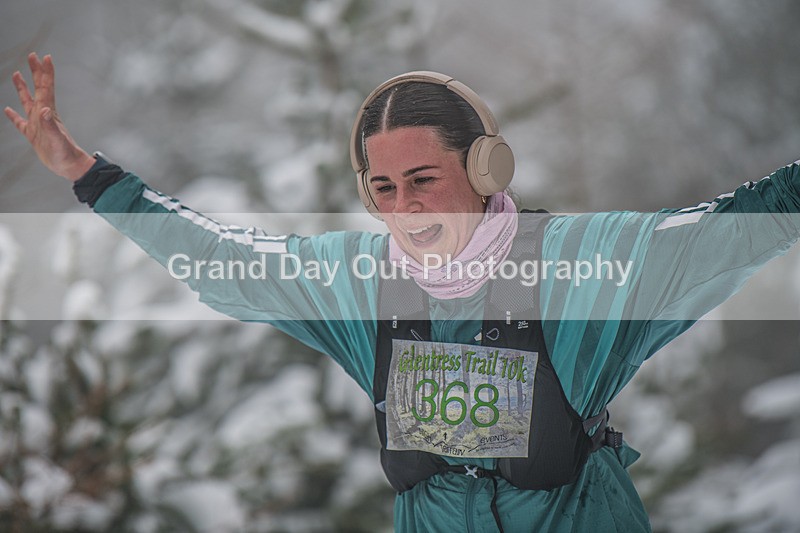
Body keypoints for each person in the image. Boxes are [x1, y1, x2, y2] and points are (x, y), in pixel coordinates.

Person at [6, 52, 800, 532]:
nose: (405, 206)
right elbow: (226, 262)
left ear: (486, 169)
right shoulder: (365, 284)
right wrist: (89, 176)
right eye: (384, 187)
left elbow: (737, 223)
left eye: (424, 179)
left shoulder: (577, 268)